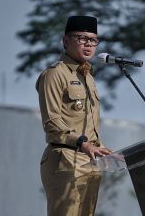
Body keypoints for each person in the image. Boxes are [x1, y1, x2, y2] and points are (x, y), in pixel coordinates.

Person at [36, 15, 111, 216]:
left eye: (93, 40)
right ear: (66, 40)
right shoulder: (54, 74)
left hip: (90, 161)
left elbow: (88, 124)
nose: (89, 44)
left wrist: (104, 151)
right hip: (65, 159)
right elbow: (52, 121)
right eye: (82, 38)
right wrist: (82, 143)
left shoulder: (88, 76)